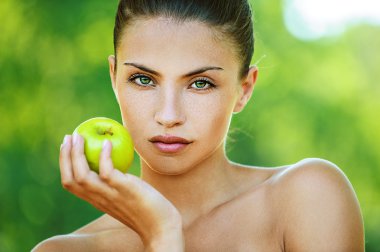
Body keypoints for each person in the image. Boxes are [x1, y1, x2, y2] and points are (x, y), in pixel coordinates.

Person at [33, 0, 364, 251]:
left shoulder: (307, 199)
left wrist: (162, 233)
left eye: (200, 83)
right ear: (114, 78)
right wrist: (161, 232)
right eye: (144, 79)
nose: (168, 114)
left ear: (243, 89)